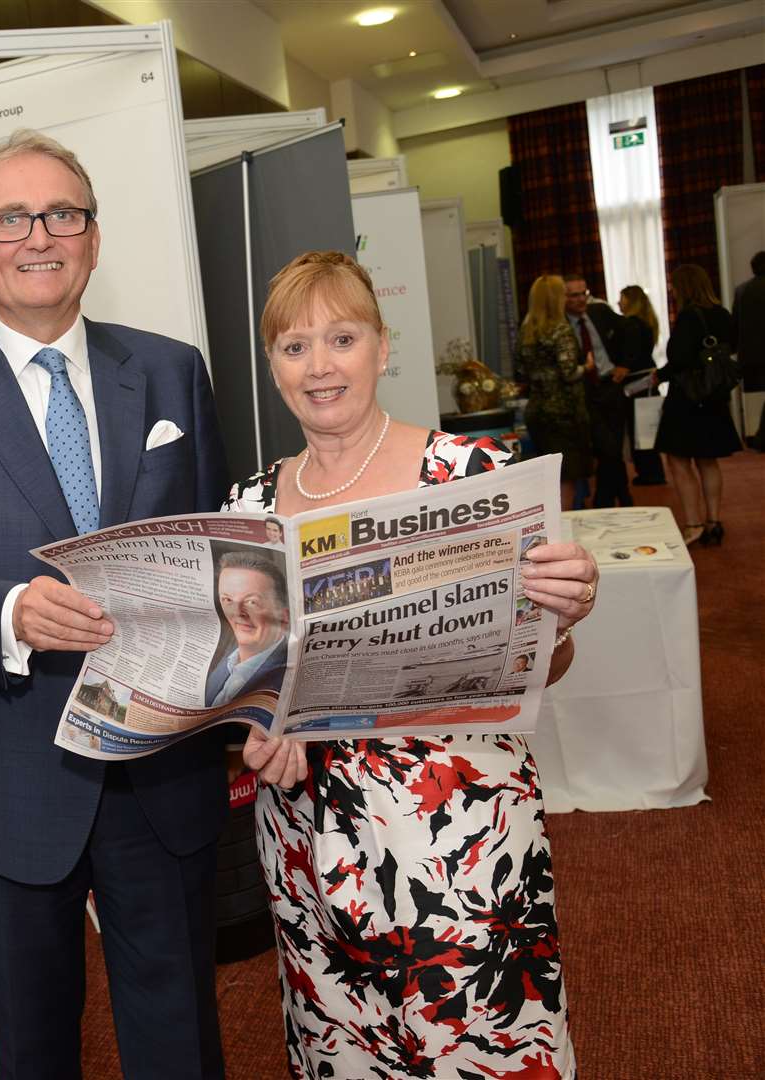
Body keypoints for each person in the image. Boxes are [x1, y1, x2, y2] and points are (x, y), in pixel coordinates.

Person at [0, 129, 232, 1079]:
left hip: (158, 760)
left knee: (180, 1030)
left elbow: (222, 556)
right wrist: (10, 614)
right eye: (10, 218)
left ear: (94, 237)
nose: (39, 236)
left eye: (62, 213)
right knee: (32, 1044)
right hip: (5, 767)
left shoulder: (170, 371)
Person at [226, 251, 599, 1079]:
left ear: (383, 347)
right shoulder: (246, 511)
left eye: (342, 338)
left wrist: (562, 615)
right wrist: (254, 731)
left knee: (480, 1047)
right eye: (294, 347)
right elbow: (244, 683)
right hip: (308, 839)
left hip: (460, 839)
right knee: (344, 1055)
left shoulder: (473, 476)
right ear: (272, 366)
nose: (319, 366)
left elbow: (548, 665)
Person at [655, 264, 739, 545]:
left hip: (687, 400)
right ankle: (714, 521)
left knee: (679, 461)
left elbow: (679, 358)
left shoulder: (689, 317)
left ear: (684, 287)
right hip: (714, 398)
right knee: (708, 461)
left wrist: (658, 376)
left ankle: (694, 524)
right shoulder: (723, 314)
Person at [516, 274, 592, 509]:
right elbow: (569, 372)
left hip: (537, 412)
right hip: (563, 413)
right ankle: (562, 529)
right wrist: (587, 366)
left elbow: (521, 372)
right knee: (566, 478)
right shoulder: (560, 330)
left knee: (549, 477)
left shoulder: (526, 332)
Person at [564, 273, 634, 507]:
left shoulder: (600, 312)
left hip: (610, 387)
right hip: (584, 393)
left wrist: (625, 363)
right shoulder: (560, 326)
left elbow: (633, 330)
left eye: (583, 294)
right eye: (573, 295)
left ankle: (612, 499)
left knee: (613, 447)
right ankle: (618, 497)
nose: (580, 299)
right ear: (562, 297)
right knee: (607, 449)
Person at [205, 549, 289, 707]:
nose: (237, 613)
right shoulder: (227, 661)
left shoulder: (288, 679)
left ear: (283, 616)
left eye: (252, 602)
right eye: (228, 599)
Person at [617, 284, 666, 484]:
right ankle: (652, 470)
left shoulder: (631, 325)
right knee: (647, 429)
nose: (619, 302)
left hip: (635, 382)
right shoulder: (646, 323)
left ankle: (649, 472)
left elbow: (630, 355)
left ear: (630, 300)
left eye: (622, 298)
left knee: (640, 429)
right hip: (647, 380)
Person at [733, 250, 765, 450]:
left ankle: (757, 437)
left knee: (754, 399)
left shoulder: (741, 290)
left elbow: (735, 325)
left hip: (751, 356)